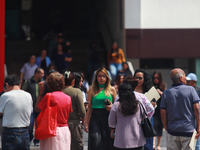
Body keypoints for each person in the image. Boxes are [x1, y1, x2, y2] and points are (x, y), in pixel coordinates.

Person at [160, 68, 200, 150]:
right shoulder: (191, 90)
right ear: (181, 78)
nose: (186, 78)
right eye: (185, 76)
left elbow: (162, 113)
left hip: (172, 131)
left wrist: (166, 126)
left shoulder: (166, 93)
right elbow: (196, 108)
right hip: (188, 130)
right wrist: (199, 126)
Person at [35, 72, 72, 150]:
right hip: (65, 130)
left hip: (51, 130)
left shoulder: (49, 96)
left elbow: (37, 108)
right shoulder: (68, 98)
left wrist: (41, 93)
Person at [84, 67, 117, 150]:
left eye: (104, 76)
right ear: (96, 77)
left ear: (107, 78)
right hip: (95, 116)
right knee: (95, 140)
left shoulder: (112, 89)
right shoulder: (91, 89)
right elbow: (89, 107)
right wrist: (86, 122)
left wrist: (112, 106)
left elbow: (117, 105)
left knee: (108, 141)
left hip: (108, 116)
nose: (101, 78)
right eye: (99, 76)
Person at [109, 82, 146, 150]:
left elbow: (111, 122)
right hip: (138, 140)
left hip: (121, 141)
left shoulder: (116, 105)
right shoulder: (139, 105)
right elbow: (145, 117)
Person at [0, 75, 33, 150]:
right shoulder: (28, 95)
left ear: (7, 85)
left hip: (10, 132)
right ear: (20, 84)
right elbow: (30, 111)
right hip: (25, 132)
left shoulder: (5, 96)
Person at [63, 71, 86, 150]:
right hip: (74, 124)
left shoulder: (59, 91)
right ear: (73, 81)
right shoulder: (77, 92)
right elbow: (82, 112)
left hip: (61, 125)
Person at [22, 67, 44, 146]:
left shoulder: (43, 83)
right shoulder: (28, 82)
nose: (43, 75)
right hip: (30, 107)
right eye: (41, 73)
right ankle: (30, 137)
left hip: (39, 107)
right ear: (36, 73)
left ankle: (37, 140)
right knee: (30, 125)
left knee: (39, 125)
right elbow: (23, 92)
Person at [134, 69, 155, 150]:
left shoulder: (149, 90)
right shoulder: (131, 89)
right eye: (136, 78)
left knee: (148, 140)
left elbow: (153, 106)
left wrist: (153, 105)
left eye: (140, 78)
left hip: (147, 118)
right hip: (134, 117)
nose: (138, 80)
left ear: (144, 79)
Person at [152, 71, 167, 150]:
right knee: (153, 125)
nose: (156, 79)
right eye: (154, 78)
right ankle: (153, 143)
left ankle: (159, 144)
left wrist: (160, 92)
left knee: (160, 126)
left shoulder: (163, 85)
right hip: (153, 108)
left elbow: (167, 96)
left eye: (157, 78)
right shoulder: (151, 86)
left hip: (161, 108)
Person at [186, 73, 200, 150]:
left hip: (198, 115)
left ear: (194, 81)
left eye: (189, 80)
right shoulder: (186, 89)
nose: (187, 82)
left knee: (197, 139)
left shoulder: (198, 89)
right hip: (189, 115)